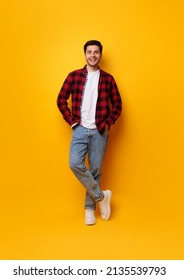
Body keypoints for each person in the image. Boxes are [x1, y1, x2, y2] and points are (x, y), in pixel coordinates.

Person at [56, 40, 122, 225]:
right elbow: (61, 98)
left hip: (100, 130)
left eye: (96, 52)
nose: (93, 55)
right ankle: (102, 197)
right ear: (84, 54)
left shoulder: (108, 79)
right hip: (80, 129)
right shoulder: (74, 76)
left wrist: (108, 123)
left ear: (100, 55)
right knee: (74, 163)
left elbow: (117, 104)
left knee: (95, 170)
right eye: (89, 52)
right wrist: (72, 121)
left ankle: (89, 209)